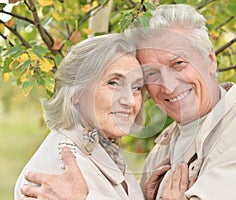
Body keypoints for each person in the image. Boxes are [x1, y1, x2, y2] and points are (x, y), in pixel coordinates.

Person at [20, 4, 236, 200]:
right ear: (78, 91)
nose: (167, 85)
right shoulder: (61, 171)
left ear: (210, 59)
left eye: (178, 63)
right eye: (151, 74)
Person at [15, 33, 146, 200]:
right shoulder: (58, 168)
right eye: (113, 83)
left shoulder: (102, 146)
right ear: (76, 92)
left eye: (136, 87)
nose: (130, 101)